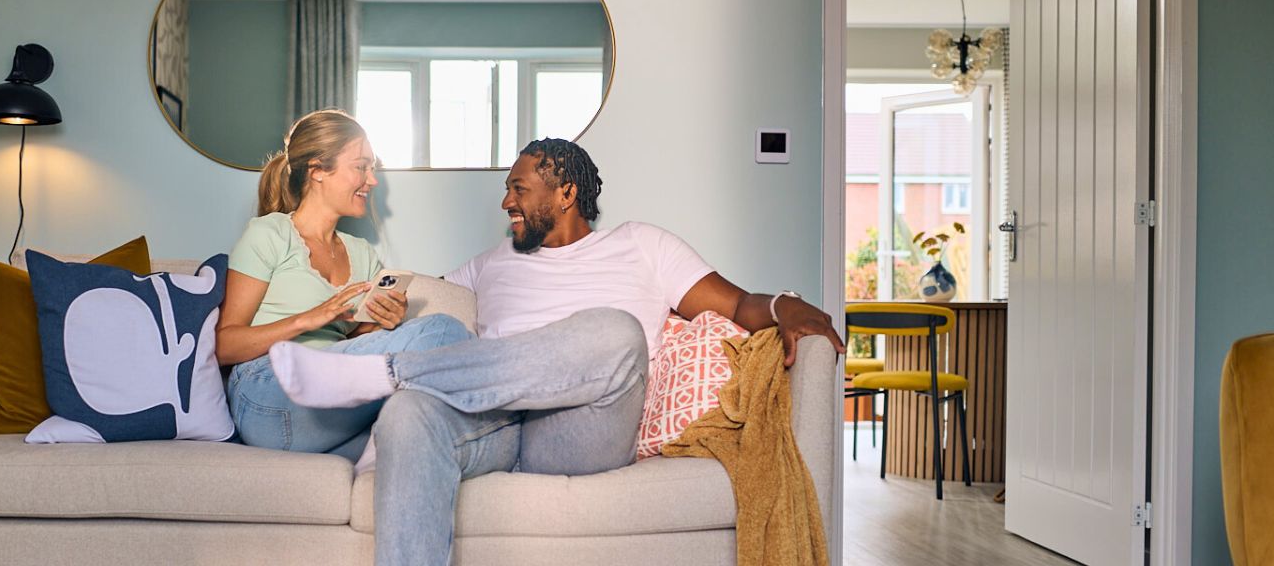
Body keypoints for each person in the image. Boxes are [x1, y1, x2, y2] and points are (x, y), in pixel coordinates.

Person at [264, 138, 845, 564]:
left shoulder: (641, 245)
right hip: (491, 424)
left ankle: (389, 375)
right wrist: (369, 326)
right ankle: (392, 381)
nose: (505, 202)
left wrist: (784, 305)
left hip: (579, 429)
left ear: (566, 192)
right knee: (411, 412)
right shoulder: (489, 265)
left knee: (614, 331)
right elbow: (414, 310)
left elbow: (739, 305)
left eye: (519, 188)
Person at [217, 109, 473, 463]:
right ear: (318, 170)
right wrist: (307, 319)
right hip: (268, 396)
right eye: (361, 167)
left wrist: (377, 326)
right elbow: (224, 345)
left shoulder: (362, 255)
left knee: (423, 435)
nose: (372, 181)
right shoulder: (270, 234)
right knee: (441, 330)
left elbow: (351, 349)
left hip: (328, 412)